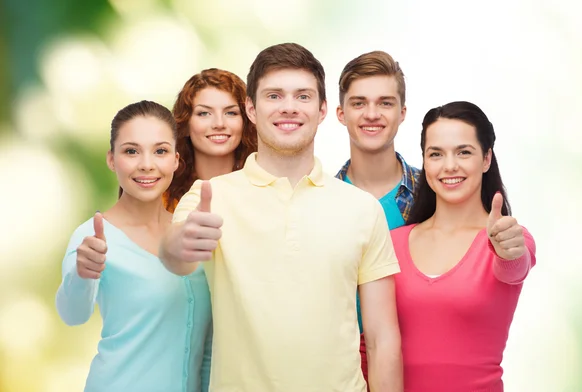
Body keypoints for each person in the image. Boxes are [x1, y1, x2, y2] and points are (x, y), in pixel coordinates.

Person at [159, 43, 403, 392]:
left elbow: (382, 338)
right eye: (274, 96)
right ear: (252, 109)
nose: (289, 107)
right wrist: (181, 243)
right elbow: (173, 255)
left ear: (321, 111)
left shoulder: (362, 209)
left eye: (302, 96)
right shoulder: (210, 197)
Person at [55, 101, 212, 392]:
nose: (146, 164)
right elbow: (72, 314)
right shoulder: (93, 236)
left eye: (160, 151)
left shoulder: (190, 232)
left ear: (176, 160)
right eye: (131, 151)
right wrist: (82, 274)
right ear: (112, 160)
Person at [391, 101, 537, 392]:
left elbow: (514, 267)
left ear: (486, 159)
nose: (449, 166)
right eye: (436, 154)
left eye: (463, 152)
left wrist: (508, 251)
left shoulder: (507, 237)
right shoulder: (393, 242)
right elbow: (371, 340)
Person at [335, 50, 420, 385]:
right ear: (341, 113)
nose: (372, 114)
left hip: (424, 361)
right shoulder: (320, 201)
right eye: (359, 103)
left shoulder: (436, 195)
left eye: (385, 103)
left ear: (402, 113)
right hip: (343, 372)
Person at [164, 68, 258, 212]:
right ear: (185, 124)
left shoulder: (265, 189)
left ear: (245, 121)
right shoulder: (164, 196)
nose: (219, 124)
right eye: (204, 113)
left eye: (231, 113)